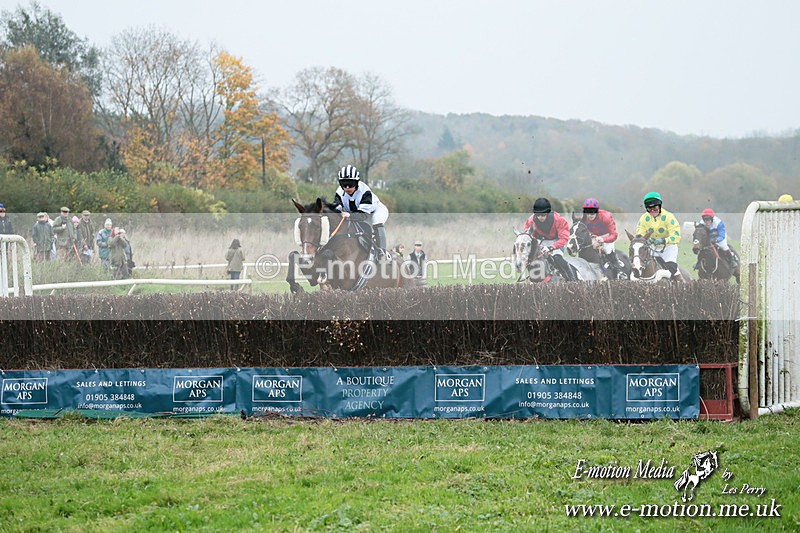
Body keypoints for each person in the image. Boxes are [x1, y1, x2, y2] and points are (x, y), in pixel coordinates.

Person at [332, 165, 390, 257]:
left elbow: (363, 216)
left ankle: (382, 252)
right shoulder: (339, 191)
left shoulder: (365, 192)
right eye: (344, 184)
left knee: (376, 223)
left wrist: (349, 215)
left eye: (350, 183)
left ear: (357, 183)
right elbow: (336, 208)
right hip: (356, 213)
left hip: (374, 212)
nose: (347, 187)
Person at [522, 197, 576, 281]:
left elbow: (564, 238)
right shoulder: (531, 220)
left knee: (558, 260)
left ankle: (572, 281)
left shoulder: (559, 220)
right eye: (538, 215)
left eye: (543, 215)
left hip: (556, 242)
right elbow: (527, 236)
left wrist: (551, 247)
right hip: (541, 241)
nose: (540, 217)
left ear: (548, 213)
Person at [635, 191, 683, 282]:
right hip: (652, 247)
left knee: (671, 266)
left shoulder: (669, 217)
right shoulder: (643, 218)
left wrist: (662, 240)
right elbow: (640, 234)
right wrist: (645, 240)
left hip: (668, 247)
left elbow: (676, 236)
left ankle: (681, 284)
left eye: (655, 208)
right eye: (649, 209)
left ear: (660, 206)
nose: (652, 211)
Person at [579, 198, 626, 280]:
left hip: (607, 236)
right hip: (594, 236)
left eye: (592, 212)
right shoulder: (583, 218)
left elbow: (614, 235)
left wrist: (603, 239)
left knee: (608, 250)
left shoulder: (606, 217)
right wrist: (592, 235)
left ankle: (619, 272)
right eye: (587, 212)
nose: (590, 215)